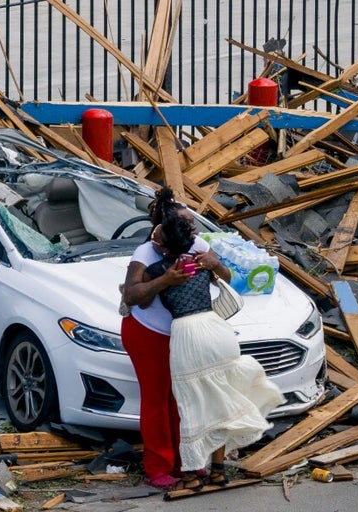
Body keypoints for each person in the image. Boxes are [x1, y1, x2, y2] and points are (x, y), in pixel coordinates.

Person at [143, 207, 285, 489]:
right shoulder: (202, 262)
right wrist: (213, 264)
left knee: (193, 404)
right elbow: (227, 278)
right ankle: (218, 470)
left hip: (187, 333)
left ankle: (194, 474)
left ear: (163, 245)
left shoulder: (158, 270)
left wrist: (161, 281)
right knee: (220, 400)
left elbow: (139, 299)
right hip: (218, 330)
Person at [120, 187, 230, 490]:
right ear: (163, 235)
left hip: (184, 335)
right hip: (147, 334)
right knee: (157, 401)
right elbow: (131, 295)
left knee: (181, 400)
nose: (193, 231)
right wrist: (165, 279)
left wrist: (214, 263)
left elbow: (228, 278)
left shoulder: (195, 243)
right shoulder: (144, 253)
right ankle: (158, 468)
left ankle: (187, 465)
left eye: (193, 226)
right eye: (187, 226)